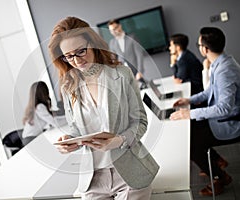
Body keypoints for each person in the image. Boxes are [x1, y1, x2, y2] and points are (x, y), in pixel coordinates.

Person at [48, 16, 159, 200]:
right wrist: (69, 140)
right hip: (93, 179)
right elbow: (76, 128)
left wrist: (119, 141)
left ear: (93, 44)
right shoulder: (68, 86)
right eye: (68, 56)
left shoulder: (121, 75)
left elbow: (140, 121)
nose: (76, 60)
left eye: (81, 51)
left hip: (130, 172)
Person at [170, 27, 240, 196]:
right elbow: (210, 92)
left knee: (192, 144)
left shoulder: (225, 70)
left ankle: (219, 178)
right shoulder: (221, 62)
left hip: (230, 123)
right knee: (192, 131)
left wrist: (190, 113)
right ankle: (216, 161)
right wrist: (190, 100)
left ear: (205, 48)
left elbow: (224, 108)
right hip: (222, 119)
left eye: (199, 44)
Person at [22, 81, 57, 145]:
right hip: (30, 140)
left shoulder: (35, 107)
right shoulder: (39, 107)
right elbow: (54, 122)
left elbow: (45, 122)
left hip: (27, 139)